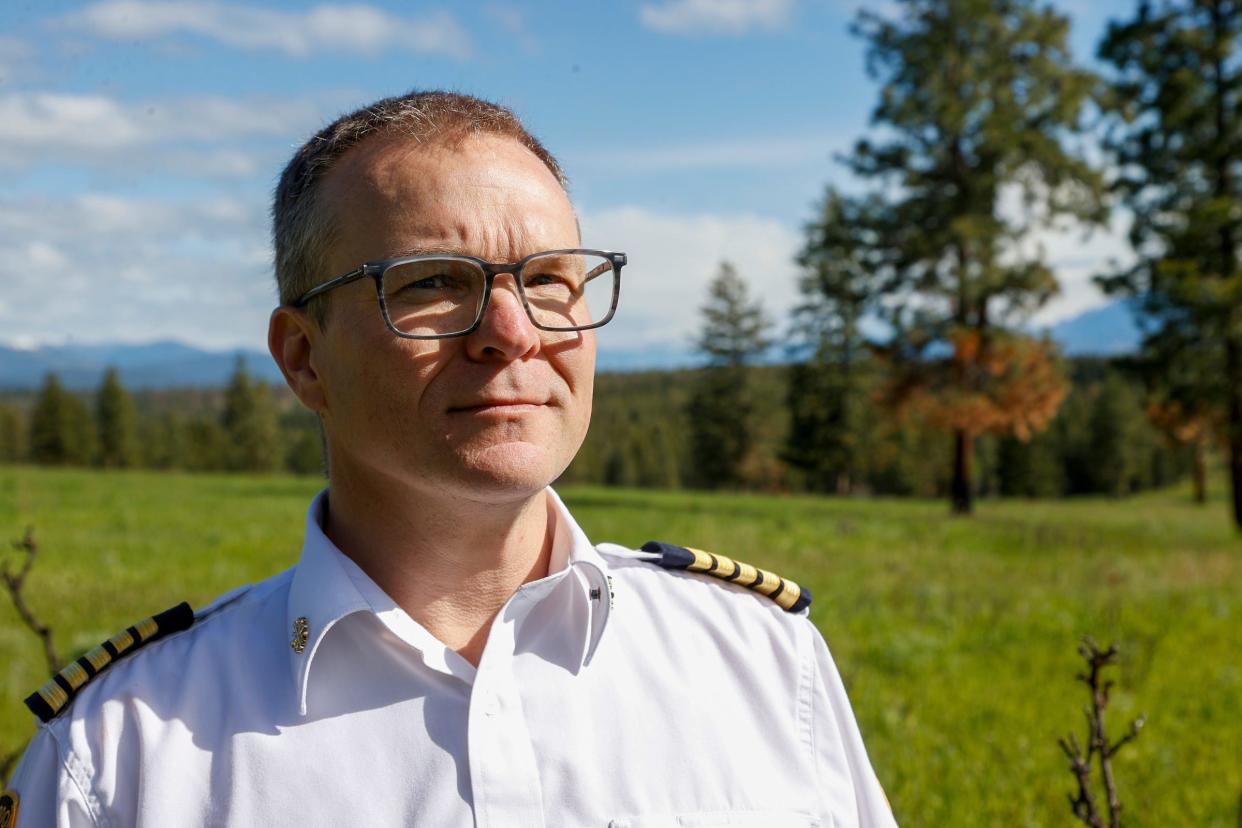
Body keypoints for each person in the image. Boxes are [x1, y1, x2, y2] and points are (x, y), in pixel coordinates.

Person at [4, 90, 898, 827]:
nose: (513, 335)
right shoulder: (119, 752)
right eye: (433, 281)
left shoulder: (765, 666)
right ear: (304, 358)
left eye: (550, 279)